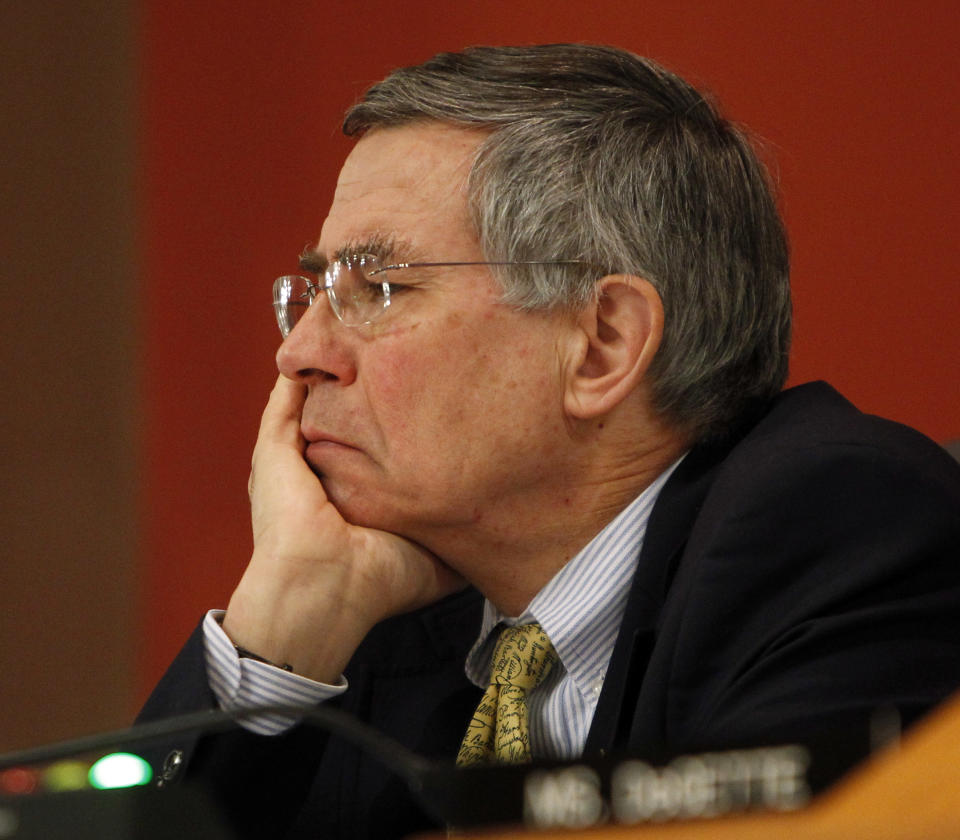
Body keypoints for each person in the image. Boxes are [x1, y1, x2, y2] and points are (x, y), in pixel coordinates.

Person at [138, 44, 960, 838]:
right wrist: (282, 632)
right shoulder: (391, 601)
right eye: (314, 291)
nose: (299, 352)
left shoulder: (833, 532)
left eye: (380, 288)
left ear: (602, 342)